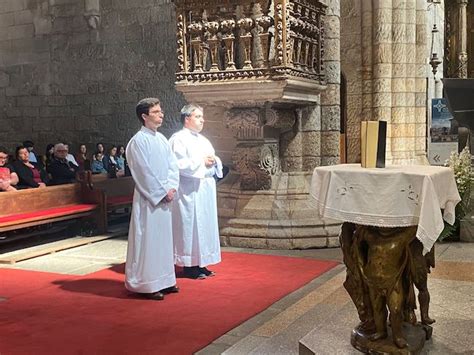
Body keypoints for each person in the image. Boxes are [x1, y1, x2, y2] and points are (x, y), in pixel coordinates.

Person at [125, 97, 180, 300]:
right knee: (147, 240)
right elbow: (143, 172)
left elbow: (173, 166)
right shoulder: (138, 142)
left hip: (165, 197)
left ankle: (165, 280)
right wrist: (161, 192)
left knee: (163, 241)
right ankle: (146, 284)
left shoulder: (162, 139)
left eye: (160, 111)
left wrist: (172, 187)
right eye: (156, 112)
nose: (161, 114)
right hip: (150, 199)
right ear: (144, 116)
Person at [169, 104, 223, 279]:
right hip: (188, 191)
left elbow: (213, 159)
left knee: (205, 226)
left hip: (204, 190)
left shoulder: (203, 139)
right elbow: (178, 164)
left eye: (202, 116)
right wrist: (202, 162)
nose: (202, 120)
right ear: (187, 119)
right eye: (198, 116)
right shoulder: (178, 139)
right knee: (190, 226)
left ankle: (202, 263)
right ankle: (189, 266)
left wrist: (214, 161)